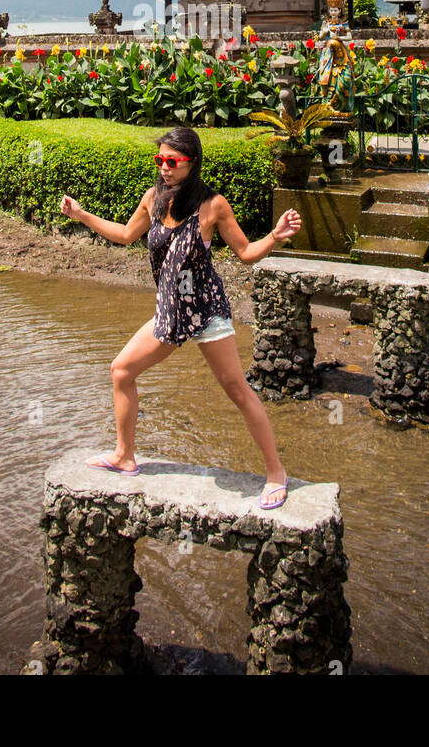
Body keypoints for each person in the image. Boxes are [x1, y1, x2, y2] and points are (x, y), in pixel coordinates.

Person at [60, 125, 302, 510]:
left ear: (192, 163)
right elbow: (125, 235)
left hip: (206, 310)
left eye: (172, 162)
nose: (164, 168)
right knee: (121, 371)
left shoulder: (212, 206)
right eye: (159, 160)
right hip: (170, 311)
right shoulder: (154, 198)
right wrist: (82, 214)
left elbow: (245, 253)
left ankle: (276, 473)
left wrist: (274, 237)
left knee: (238, 391)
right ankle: (125, 456)